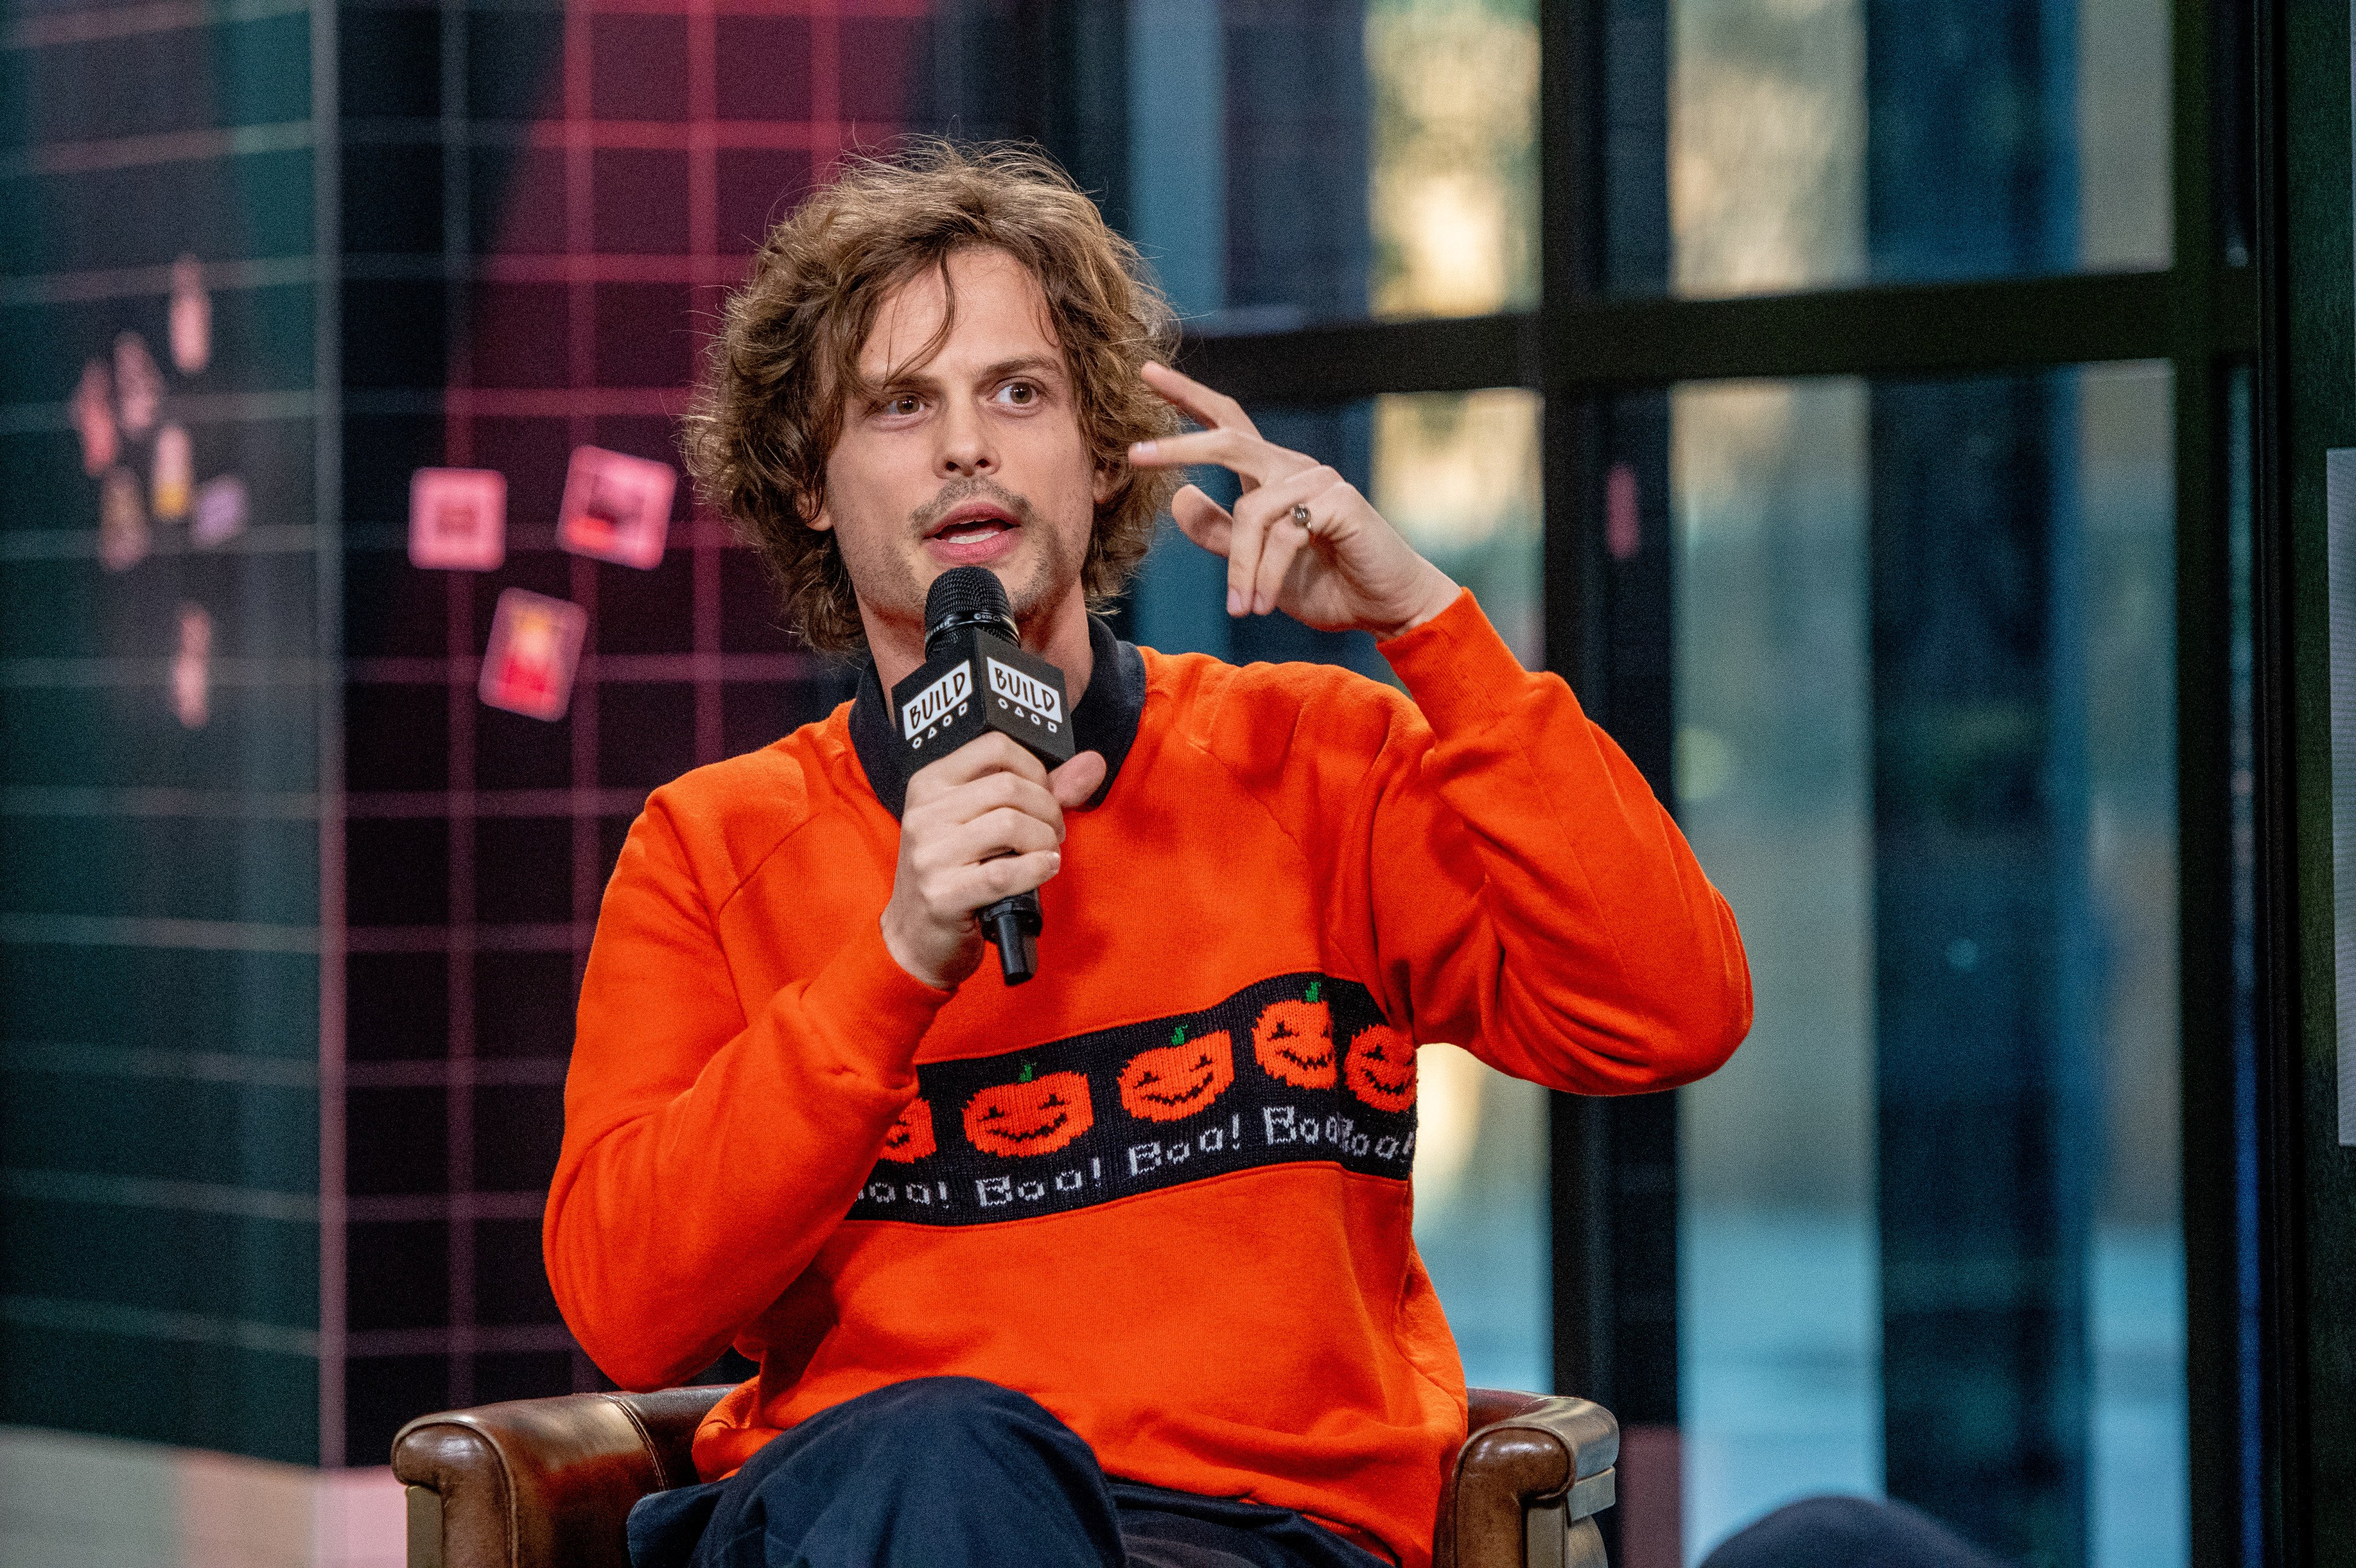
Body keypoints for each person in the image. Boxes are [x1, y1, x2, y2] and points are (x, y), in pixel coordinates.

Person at [548, 140, 1934, 1568]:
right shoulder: (711, 845)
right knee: (947, 1444)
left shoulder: (1316, 764)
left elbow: (1668, 1008)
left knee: (1842, 1547)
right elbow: (627, 1304)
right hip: (893, 1516)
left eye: (1017, 391)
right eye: (899, 405)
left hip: (1263, 1544)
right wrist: (893, 961)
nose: (967, 444)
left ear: (1099, 452)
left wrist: (1431, 631)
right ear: (809, 490)